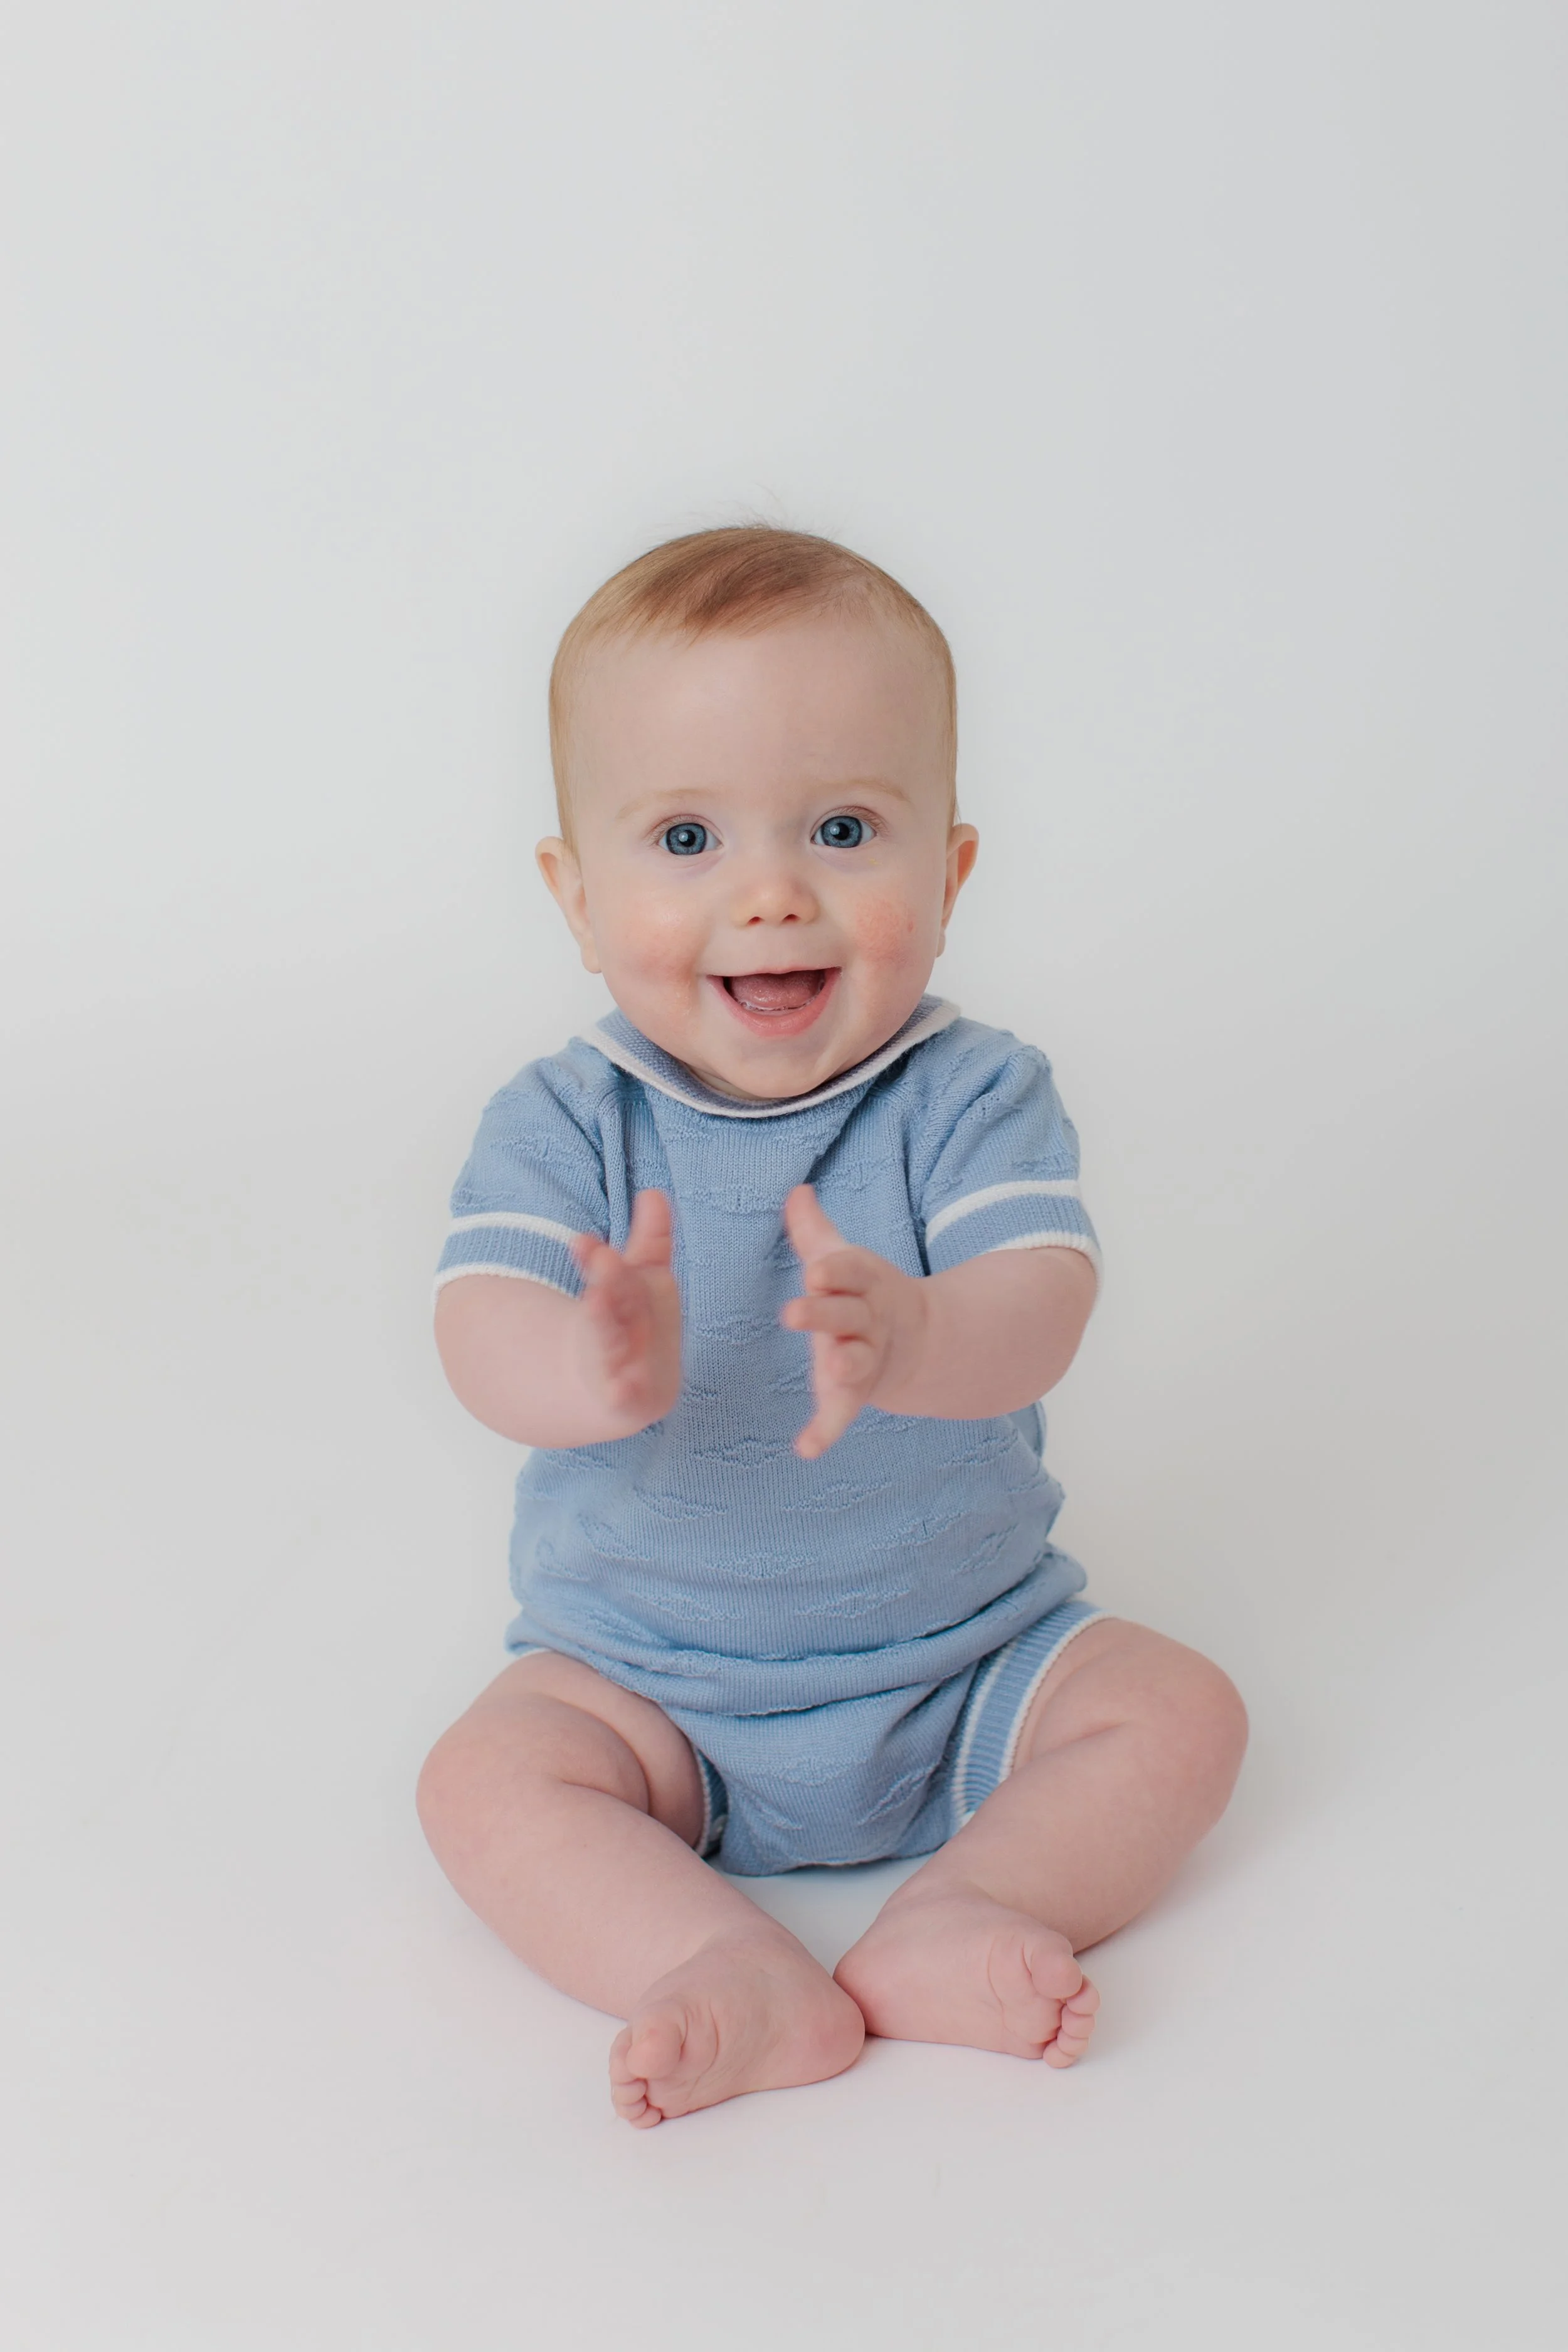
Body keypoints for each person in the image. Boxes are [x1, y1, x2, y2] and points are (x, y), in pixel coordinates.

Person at [417, 526, 1248, 2127]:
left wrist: (918, 1337)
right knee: (484, 1783)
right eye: (683, 837)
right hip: (648, 1697)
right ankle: (715, 1959)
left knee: (1178, 1713)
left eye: (845, 827)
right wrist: (587, 1368)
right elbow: (475, 1328)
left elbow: (1043, 1305)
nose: (770, 891)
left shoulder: (971, 1097)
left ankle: (961, 1911)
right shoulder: (565, 1124)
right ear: (575, 898)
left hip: (968, 1670)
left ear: (946, 874)